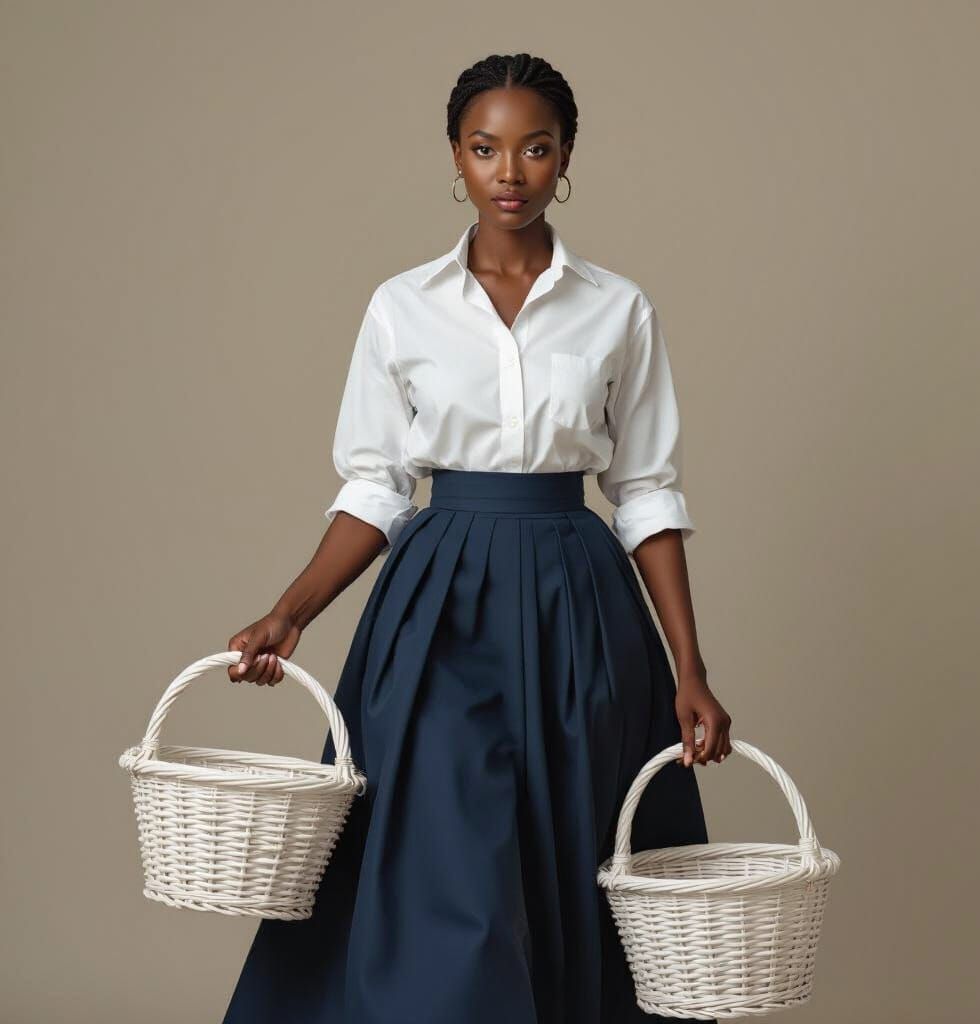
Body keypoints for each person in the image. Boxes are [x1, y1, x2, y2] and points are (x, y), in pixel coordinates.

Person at [221, 52, 731, 1024]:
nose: (509, 171)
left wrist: (690, 670)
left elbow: (646, 493)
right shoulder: (401, 306)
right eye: (484, 147)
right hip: (436, 610)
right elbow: (374, 487)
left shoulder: (618, 308)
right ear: (454, 156)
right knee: (446, 861)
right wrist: (289, 613)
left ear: (564, 157)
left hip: (575, 603)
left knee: (567, 852)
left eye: (534, 148)